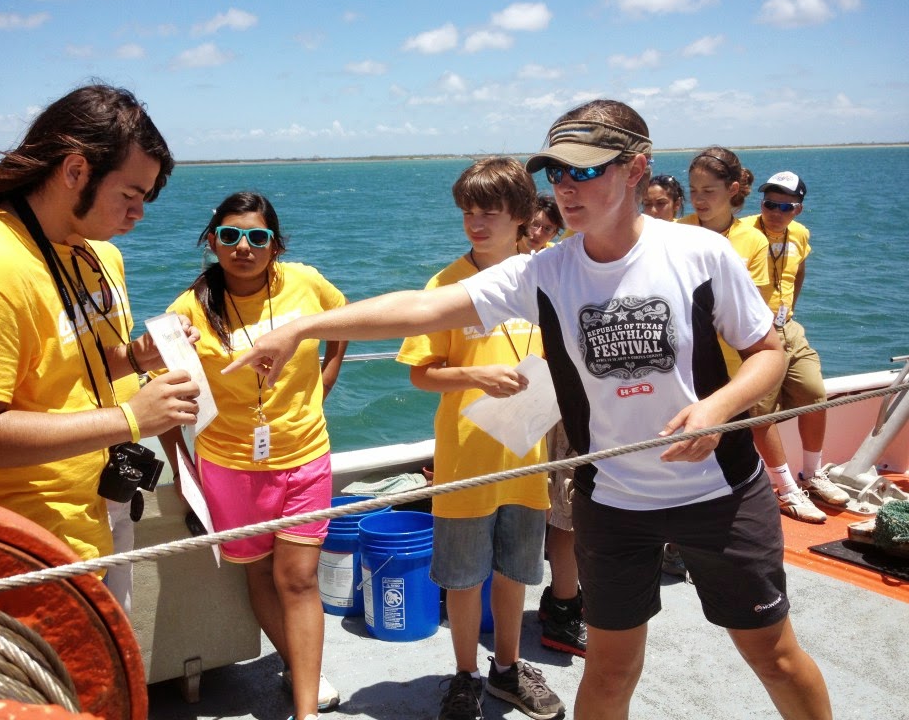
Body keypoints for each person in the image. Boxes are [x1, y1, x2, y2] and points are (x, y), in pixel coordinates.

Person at [226, 99, 833, 720]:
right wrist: (300, 329)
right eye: (556, 174)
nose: (565, 187)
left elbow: (766, 352)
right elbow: (423, 309)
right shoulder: (543, 273)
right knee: (610, 670)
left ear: (635, 169)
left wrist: (721, 406)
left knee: (772, 655)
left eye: (585, 171)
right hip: (617, 502)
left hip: (719, 491)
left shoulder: (700, 255)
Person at [0, 84, 201, 579]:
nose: (139, 213)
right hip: (12, 548)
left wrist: (137, 357)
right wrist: (133, 418)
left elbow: (68, 366)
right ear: (75, 171)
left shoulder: (98, 252)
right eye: (130, 195)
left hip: (98, 513)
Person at [157, 192, 347, 720]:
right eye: (231, 235)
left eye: (258, 237)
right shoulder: (188, 309)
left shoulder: (304, 281)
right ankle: (297, 662)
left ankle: (305, 710)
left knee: (299, 577)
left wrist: (326, 377)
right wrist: (182, 469)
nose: (244, 247)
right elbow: (167, 394)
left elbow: (344, 319)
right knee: (260, 575)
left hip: (306, 453)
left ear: (275, 245)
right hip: (228, 465)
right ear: (212, 241)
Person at [396, 156, 564, 720]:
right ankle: (465, 674)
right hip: (467, 459)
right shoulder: (445, 285)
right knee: (464, 579)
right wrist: (474, 375)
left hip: (528, 453)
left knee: (515, 572)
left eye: (489, 212)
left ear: (522, 215)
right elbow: (420, 372)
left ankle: (508, 669)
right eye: (468, 211)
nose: (475, 223)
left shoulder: (546, 274)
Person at [682, 149, 825, 524]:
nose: (699, 198)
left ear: (731, 190)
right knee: (692, 448)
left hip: (735, 358)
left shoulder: (753, 240)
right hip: (686, 361)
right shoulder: (678, 231)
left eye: (708, 190)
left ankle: (791, 486)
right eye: (693, 189)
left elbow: (754, 314)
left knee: (729, 447)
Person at [740, 172, 848, 513]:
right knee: (761, 413)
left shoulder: (799, 234)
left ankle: (812, 475)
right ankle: (786, 489)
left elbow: (798, 268)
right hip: (755, 335)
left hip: (787, 326)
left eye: (784, 206)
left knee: (814, 395)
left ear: (797, 210)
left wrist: (790, 311)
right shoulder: (742, 232)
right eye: (769, 203)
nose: (774, 212)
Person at [537, 423, 587, 657]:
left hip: (577, 411)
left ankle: (562, 596)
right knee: (571, 517)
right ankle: (563, 615)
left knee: (568, 512)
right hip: (581, 417)